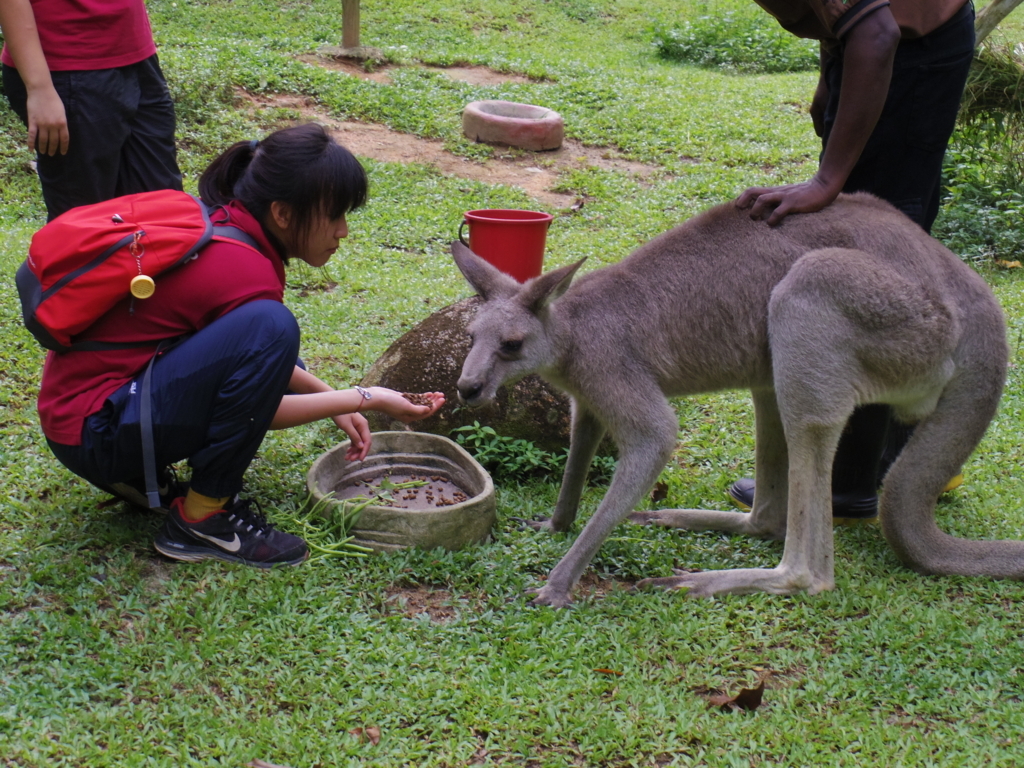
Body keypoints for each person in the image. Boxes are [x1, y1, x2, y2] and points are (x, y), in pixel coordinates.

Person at [40, 123, 445, 568]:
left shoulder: (223, 226)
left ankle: (137, 475)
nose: (343, 231)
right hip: (97, 430)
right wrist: (366, 398)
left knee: (277, 351)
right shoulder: (243, 269)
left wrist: (329, 396)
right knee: (273, 332)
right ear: (283, 214)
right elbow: (258, 409)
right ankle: (202, 519)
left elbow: (234, 361)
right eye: (334, 215)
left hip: (79, 418)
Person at [728, 0, 976, 517]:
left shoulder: (882, 37)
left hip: (912, 46)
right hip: (899, 35)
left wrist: (826, 180)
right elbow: (848, 18)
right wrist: (831, 75)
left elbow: (876, 32)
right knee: (882, 226)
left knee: (873, 254)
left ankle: (847, 479)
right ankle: (910, 449)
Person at [0, 0, 183, 220]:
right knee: (85, 219)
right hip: (65, 66)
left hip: (136, 53)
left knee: (161, 209)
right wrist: (40, 88)